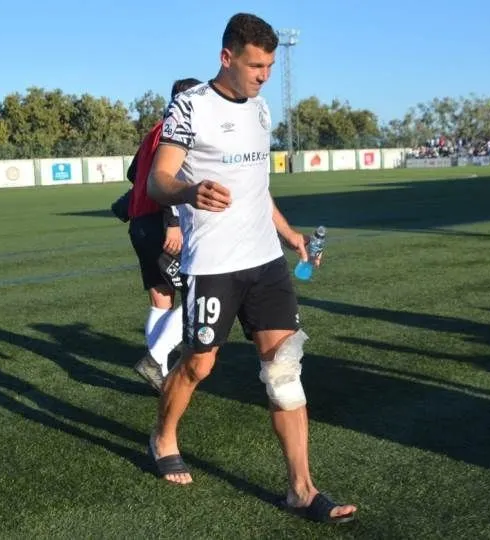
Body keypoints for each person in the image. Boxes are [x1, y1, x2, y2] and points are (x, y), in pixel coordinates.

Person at [145, 12, 357, 525]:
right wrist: (190, 191)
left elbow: (258, 191)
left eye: (269, 66)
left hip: (265, 262)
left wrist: (290, 237)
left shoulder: (261, 111)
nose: (264, 76)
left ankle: (301, 490)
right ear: (227, 57)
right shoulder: (189, 107)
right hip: (214, 264)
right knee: (200, 364)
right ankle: (163, 435)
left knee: (284, 371)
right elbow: (158, 180)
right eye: (255, 65)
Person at [123, 77, 203, 392]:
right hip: (161, 221)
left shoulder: (153, 131)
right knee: (200, 292)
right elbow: (167, 175)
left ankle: (161, 373)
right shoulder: (176, 131)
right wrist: (172, 221)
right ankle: (157, 358)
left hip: (140, 223)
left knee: (160, 299)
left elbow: (132, 174)